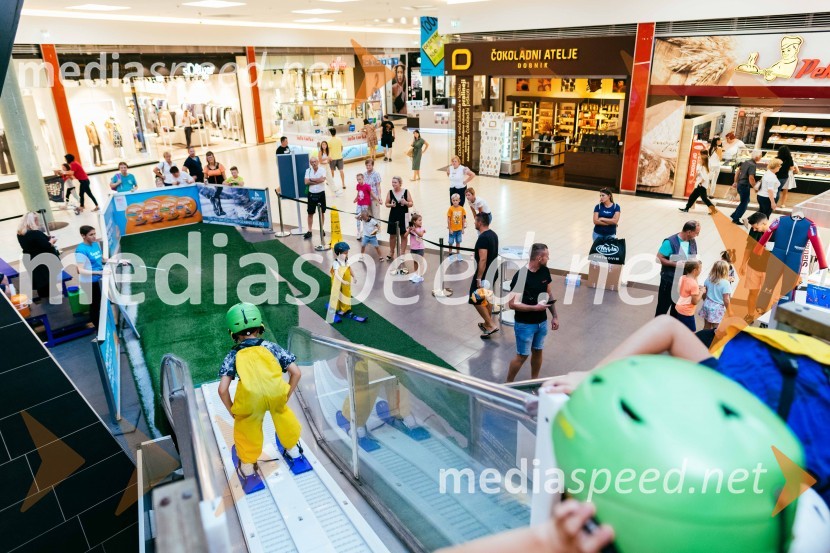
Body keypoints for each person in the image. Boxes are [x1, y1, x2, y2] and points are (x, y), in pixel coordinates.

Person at [218, 302, 309, 491]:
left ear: (232, 333)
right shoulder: (271, 346)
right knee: (285, 420)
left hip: (250, 401)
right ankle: (293, 452)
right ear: (260, 327)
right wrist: (286, 395)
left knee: (247, 430)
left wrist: (233, 410)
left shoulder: (233, 355)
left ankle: (248, 469)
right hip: (276, 393)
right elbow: (296, 373)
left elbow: (222, 390)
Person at [505, 243, 559, 382]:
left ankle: (534, 381)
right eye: (547, 255)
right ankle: (507, 384)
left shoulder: (545, 271)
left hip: (541, 322)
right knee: (522, 356)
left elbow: (549, 293)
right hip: (525, 324)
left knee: (538, 351)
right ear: (540, 257)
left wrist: (555, 316)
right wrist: (535, 308)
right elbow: (512, 304)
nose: (549, 258)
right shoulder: (521, 276)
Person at [655, 220, 700, 317]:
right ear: (688, 232)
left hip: (683, 283)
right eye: (696, 233)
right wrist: (675, 264)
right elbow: (658, 258)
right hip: (669, 281)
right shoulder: (670, 242)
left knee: (677, 309)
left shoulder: (692, 241)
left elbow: (693, 256)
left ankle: (672, 328)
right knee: (662, 308)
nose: (697, 235)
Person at [74, 225, 112, 329]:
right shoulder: (81, 250)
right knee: (95, 306)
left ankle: (106, 323)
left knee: (102, 302)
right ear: (83, 235)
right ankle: (98, 328)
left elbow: (103, 259)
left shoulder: (95, 244)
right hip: (89, 282)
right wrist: (99, 273)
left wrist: (118, 261)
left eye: (95, 233)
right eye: (91, 235)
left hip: (99, 280)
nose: (94, 236)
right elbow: (80, 270)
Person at [17, 212, 59, 301]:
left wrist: (44, 238)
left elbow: (34, 244)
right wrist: (52, 240)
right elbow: (46, 246)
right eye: (37, 220)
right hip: (42, 259)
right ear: (33, 221)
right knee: (48, 280)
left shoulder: (20, 233)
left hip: (29, 258)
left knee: (39, 280)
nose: (38, 222)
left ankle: (44, 299)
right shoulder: (35, 233)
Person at [470, 212, 499, 338]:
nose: (474, 223)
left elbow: (483, 259)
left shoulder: (482, 238)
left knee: (475, 298)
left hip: (485, 273)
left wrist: (479, 277)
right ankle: (488, 324)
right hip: (493, 271)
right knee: (487, 298)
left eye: (476, 221)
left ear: (480, 222)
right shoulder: (493, 234)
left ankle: (490, 324)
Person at [741, 212, 772, 320]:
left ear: (764, 223)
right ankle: (750, 315)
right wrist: (743, 264)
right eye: (752, 228)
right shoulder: (753, 231)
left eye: (756, 227)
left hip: (769, 270)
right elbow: (748, 247)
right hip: (753, 267)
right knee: (752, 293)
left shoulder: (777, 233)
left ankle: (765, 318)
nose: (754, 230)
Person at [385, 176, 412, 273]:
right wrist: (391, 205)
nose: (393, 184)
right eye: (392, 182)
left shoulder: (406, 191)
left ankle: (402, 254)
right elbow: (386, 203)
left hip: (403, 216)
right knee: (392, 235)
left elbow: (411, 203)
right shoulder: (390, 192)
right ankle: (391, 252)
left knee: (403, 235)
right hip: (393, 215)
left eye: (395, 182)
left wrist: (405, 202)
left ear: (400, 183)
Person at [679, 150, 717, 215]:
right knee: (693, 197)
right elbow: (697, 173)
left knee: (704, 199)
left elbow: (705, 177)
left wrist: (700, 183)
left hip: (701, 185)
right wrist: (693, 180)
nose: (698, 160)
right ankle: (686, 208)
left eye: (700, 159)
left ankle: (713, 210)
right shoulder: (701, 166)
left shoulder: (704, 168)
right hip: (700, 185)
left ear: (703, 161)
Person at [730, 149, 761, 225]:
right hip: (744, 185)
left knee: (746, 201)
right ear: (757, 157)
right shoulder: (752, 165)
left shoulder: (746, 162)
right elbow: (751, 178)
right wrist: (755, 187)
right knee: (744, 203)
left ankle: (734, 214)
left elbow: (737, 172)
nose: (761, 157)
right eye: (760, 156)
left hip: (740, 184)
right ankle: (736, 219)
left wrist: (735, 182)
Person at [699, 260, 732, 330]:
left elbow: (704, 293)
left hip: (707, 304)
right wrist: (729, 310)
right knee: (716, 329)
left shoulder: (708, 279)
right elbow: (726, 299)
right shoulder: (726, 283)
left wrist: (705, 301)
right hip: (717, 309)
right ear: (726, 271)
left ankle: (704, 339)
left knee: (707, 326)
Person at [672, 259, 702, 332]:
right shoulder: (693, 284)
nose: (701, 270)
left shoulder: (682, 277)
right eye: (700, 268)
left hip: (679, 307)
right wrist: (701, 292)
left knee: (681, 328)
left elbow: (680, 290)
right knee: (692, 332)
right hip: (687, 312)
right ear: (695, 271)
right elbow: (695, 302)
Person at [304, 156, 328, 239]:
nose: (313, 163)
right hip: (311, 194)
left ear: (318, 162)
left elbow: (323, 180)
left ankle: (322, 228)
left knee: (322, 212)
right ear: (310, 163)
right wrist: (317, 180)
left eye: (315, 161)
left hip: (321, 194)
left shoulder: (323, 170)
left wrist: (311, 180)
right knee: (310, 213)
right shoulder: (308, 170)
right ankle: (309, 230)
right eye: (312, 162)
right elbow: (306, 182)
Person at [405, 213, 425, 283]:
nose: (421, 221)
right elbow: (405, 236)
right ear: (414, 221)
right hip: (413, 248)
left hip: (420, 248)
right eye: (419, 220)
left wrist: (415, 230)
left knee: (421, 262)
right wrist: (409, 230)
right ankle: (416, 274)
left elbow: (421, 235)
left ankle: (420, 276)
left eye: (421, 220)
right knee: (415, 262)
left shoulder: (421, 228)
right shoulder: (411, 229)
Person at [205, 151, 227, 216]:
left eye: (211, 157)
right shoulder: (206, 167)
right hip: (212, 185)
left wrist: (226, 181)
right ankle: (220, 210)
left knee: (216, 196)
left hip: (220, 184)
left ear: (214, 157)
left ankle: (214, 201)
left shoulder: (219, 165)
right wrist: (205, 181)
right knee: (217, 197)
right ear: (207, 159)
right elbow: (205, 177)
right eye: (209, 158)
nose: (210, 159)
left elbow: (224, 176)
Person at [447, 193, 466, 262]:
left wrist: (463, 228)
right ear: (452, 201)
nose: (455, 201)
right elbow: (448, 219)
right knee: (451, 242)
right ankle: (450, 254)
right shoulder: (450, 209)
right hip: (452, 230)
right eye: (453, 200)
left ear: (459, 200)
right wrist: (450, 229)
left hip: (459, 230)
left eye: (456, 200)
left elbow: (463, 219)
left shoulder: (462, 209)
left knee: (458, 242)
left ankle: (458, 254)